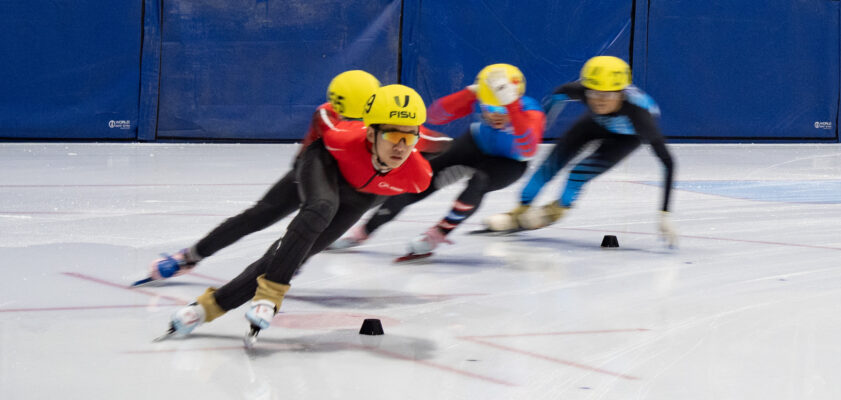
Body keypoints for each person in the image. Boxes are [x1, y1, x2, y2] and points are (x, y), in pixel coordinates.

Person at [163, 84, 433, 340]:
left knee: (288, 254)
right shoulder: (343, 138)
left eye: (409, 137)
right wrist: (302, 157)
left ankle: (204, 310)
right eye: (392, 135)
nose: (401, 146)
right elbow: (323, 113)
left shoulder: (417, 176)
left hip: (357, 196)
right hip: (323, 163)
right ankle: (263, 291)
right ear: (371, 133)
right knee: (312, 209)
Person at [139, 71, 450, 284]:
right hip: (315, 174)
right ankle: (190, 256)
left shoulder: (386, 131)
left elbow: (430, 141)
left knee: (311, 239)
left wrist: (460, 150)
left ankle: (286, 265)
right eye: (350, 118)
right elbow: (332, 140)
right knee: (260, 215)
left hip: (360, 187)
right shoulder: (327, 116)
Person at [327, 63, 545, 257]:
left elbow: (527, 147)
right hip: (476, 143)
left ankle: (438, 234)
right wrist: (471, 93)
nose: (496, 115)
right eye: (489, 108)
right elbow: (436, 115)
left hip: (511, 161)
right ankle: (364, 231)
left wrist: (512, 106)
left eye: (502, 108)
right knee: (420, 177)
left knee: (478, 182)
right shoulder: (484, 100)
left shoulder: (531, 111)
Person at [484, 55, 677, 247]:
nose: (600, 101)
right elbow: (557, 95)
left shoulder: (639, 115)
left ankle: (556, 211)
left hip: (628, 136)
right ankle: (520, 209)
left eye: (608, 95)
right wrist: (539, 127)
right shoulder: (581, 91)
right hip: (596, 122)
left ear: (621, 93)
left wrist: (664, 213)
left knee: (578, 173)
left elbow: (668, 162)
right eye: (594, 94)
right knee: (551, 163)